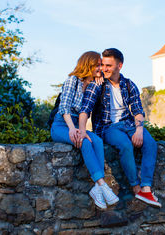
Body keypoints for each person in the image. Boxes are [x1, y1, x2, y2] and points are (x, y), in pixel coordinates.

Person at [78, 48, 161, 208]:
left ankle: (146, 188)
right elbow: (85, 109)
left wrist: (138, 130)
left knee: (150, 144)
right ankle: (136, 188)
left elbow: (138, 111)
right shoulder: (98, 84)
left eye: (108, 65)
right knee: (125, 145)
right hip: (108, 127)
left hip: (129, 124)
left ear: (119, 65)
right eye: (103, 65)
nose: (104, 69)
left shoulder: (129, 84)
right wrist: (82, 130)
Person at [51, 51, 119, 209]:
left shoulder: (92, 84)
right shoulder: (72, 80)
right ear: (88, 64)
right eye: (97, 64)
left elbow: (87, 112)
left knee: (97, 140)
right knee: (84, 142)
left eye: (100, 64)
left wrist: (96, 85)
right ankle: (102, 184)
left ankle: (97, 189)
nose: (100, 67)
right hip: (62, 124)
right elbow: (64, 107)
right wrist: (72, 129)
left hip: (76, 124)